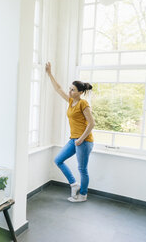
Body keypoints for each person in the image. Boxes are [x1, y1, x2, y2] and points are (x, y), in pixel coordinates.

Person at [45, 62, 95, 202]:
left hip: (84, 141)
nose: (70, 92)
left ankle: (83, 195)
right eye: (70, 89)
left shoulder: (83, 103)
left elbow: (92, 123)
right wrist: (49, 73)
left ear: (80, 92)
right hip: (74, 139)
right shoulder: (71, 102)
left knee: (82, 169)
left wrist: (81, 139)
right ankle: (74, 184)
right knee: (58, 160)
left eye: (73, 90)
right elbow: (58, 89)